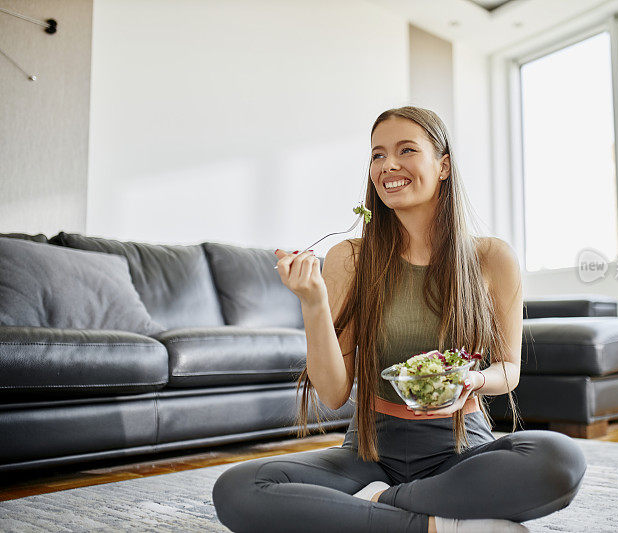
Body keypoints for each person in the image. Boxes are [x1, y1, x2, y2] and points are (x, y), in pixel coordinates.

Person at [212, 106, 587, 532]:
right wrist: (313, 304)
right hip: (370, 451)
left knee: (561, 460)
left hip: (461, 448)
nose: (388, 165)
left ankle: (379, 505)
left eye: (406, 150)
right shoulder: (350, 259)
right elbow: (334, 394)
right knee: (239, 487)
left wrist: (475, 381)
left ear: (443, 165)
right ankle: (440, 523)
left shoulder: (491, 258)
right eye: (377, 155)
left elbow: (509, 370)